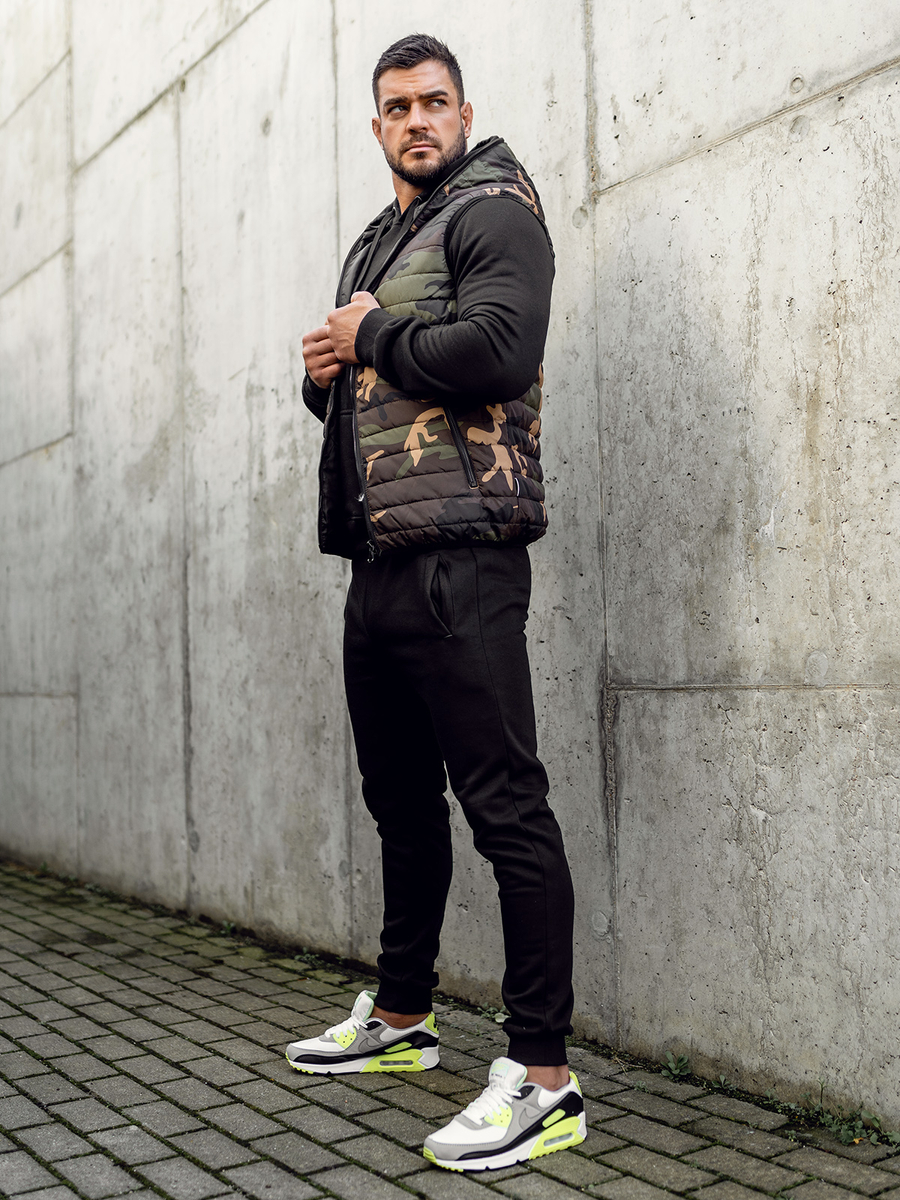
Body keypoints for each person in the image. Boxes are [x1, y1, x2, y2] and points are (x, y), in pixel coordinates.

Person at [285, 33, 583, 1172]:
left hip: (467, 556)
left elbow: (501, 351)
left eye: (434, 102)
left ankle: (545, 1078)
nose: (418, 120)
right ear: (377, 127)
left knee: (507, 810)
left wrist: (370, 335)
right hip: (381, 565)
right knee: (401, 805)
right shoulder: (380, 237)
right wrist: (322, 373)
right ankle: (404, 1018)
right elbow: (372, 385)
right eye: (398, 107)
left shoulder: (494, 209)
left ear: (463, 111)